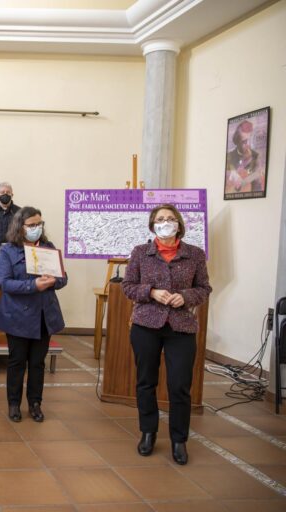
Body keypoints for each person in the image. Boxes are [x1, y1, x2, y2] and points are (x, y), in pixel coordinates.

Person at [122, 204, 211, 465]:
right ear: (152, 225)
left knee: (180, 385)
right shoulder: (140, 252)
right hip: (146, 325)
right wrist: (150, 292)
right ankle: (148, 432)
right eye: (160, 219)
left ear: (179, 224)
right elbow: (127, 286)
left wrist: (184, 296)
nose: (165, 222)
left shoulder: (195, 254)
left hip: (181, 326)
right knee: (146, 381)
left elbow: (204, 288)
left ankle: (179, 440)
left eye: (170, 218)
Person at [0, 207, 67, 423]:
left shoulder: (48, 248)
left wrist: (55, 280)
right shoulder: (8, 251)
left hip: (44, 315)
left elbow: (63, 278)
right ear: (20, 227)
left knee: (37, 363)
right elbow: (5, 283)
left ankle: (35, 403)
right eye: (32, 225)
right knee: (17, 362)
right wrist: (33, 285)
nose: (36, 228)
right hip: (17, 315)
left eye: (39, 224)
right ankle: (14, 404)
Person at [225, 120, 264, 194]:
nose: (248, 145)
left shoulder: (255, 157)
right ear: (237, 141)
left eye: (249, 141)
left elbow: (258, 180)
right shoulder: (229, 156)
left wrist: (245, 181)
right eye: (244, 142)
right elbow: (226, 185)